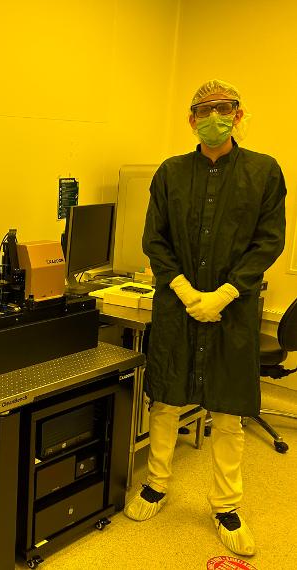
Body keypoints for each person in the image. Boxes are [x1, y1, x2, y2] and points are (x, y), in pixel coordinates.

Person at [124, 79, 286, 557]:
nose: (213, 117)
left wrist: (226, 293)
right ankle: (156, 483)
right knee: (166, 400)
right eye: (203, 110)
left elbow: (268, 240)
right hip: (177, 306)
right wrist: (184, 289)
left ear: (238, 115)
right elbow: (155, 239)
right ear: (191, 120)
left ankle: (226, 505)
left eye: (223, 108)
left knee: (228, 410)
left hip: (232, 311)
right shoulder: (171, 173)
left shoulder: (263, 171)